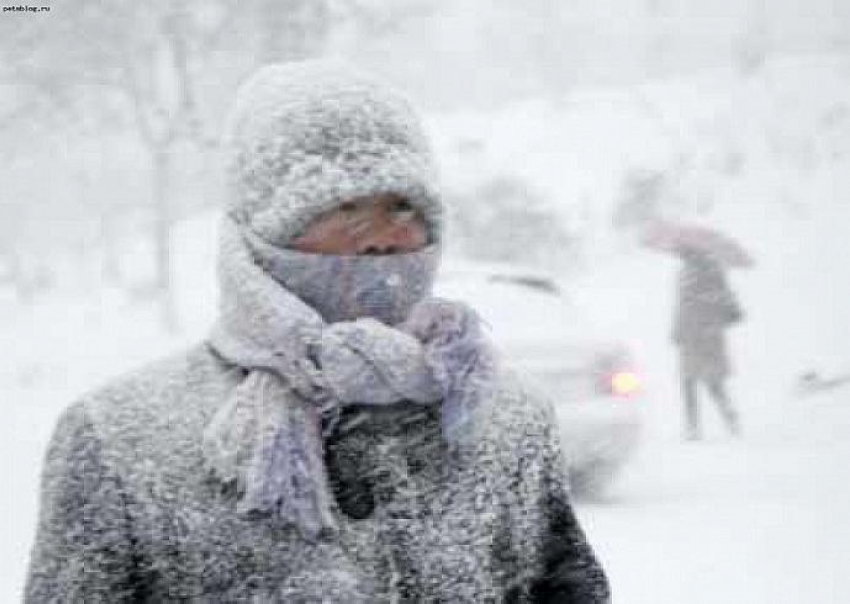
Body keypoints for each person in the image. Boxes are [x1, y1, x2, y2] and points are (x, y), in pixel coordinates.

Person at [24, 61, 610, 603]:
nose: (380, 237)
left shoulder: (506, 419)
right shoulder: (120, 440)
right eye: (343, 208)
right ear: (262, 230)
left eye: (404, 208)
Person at [672, 247, 743, 441]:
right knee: (710, 382)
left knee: (690, 382)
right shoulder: (714, 270)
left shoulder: (688, 274)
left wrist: (677, 331)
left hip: (693, 335)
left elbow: (682, 307)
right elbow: (727, 300)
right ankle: (729, 417)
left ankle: (693, 427)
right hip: (709, 334)